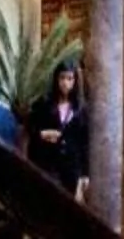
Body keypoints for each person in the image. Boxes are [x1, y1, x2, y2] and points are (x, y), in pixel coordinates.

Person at [26, 60, 90, 201]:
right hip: (47, 165)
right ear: (56, 79)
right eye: (62, 78)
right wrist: (42, 134)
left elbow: (83, 142)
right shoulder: (44, 103)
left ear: (75, 81)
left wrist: (85, 174)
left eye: (69, 78)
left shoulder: (80, 108)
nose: (65, 83)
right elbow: (30, 127)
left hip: (71, 168)